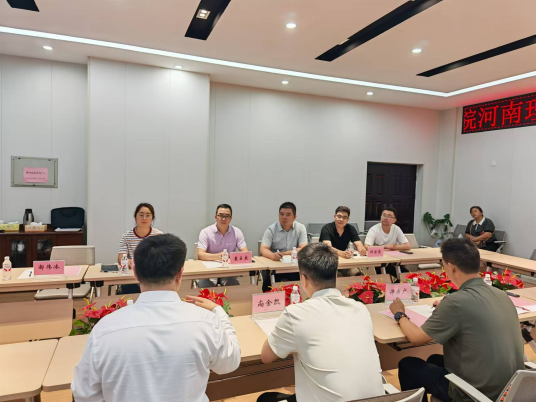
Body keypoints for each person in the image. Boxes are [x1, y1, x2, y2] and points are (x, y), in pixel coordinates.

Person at [72, 234, 241, 402]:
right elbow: (230, 363)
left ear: (135, 273)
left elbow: (83, 394)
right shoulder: (206, 322)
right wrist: (218, 312)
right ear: (179, 274)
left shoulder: (105, 330)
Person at [390, 238, 524, 402]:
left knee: (407, 365)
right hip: (510, 389)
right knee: (434, 360)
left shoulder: (455, 302)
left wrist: (399, 314)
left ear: (451, 267)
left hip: (476, 394)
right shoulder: (501, 295)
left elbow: (416, 337)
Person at [258, 243, 384, 402]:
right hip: (378, 400)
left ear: (303, 279)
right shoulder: (360, 309)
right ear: (336, 275)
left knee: (265, 399)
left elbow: (266, 357)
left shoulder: (295, 314)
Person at [197, 204, 248, 287]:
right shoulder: (205, 232)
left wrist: (229, 257)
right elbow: (200, 254)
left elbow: (245, 252)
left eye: (227, 216)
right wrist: (219, 257)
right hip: (208, 271)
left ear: (231, 218)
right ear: (215, 217)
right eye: (221, 215)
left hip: (228, 270)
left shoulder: (237, 232)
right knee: (206, 288)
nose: (223, 219)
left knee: (234, 288)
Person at [260, 202, 308, 289]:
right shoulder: (271, 229)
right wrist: (272, 256)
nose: (284, 217)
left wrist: (284, 254)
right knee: (268, 286)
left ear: (294, 217)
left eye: (288, 214)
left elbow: (303, 248)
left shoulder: (300, 228)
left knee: (303, 281)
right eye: (281, 214)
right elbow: (263, 249)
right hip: (275, 265)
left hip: (294, 266)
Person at [118, 203, 163, 293]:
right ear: (135, 217)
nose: (144, 218)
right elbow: (121, 257)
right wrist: (127, 261)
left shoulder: (158, 235)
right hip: (133, 276)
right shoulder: (126, 236)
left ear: (152, 218)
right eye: (141, 215)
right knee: (130, 288)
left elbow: (163, 256)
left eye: (148, 215)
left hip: (153, 275)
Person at [319, 206, 366, 276]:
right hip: (328, 259)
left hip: (343, 260)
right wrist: (340, 253)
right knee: (334, 275)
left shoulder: (350, 229)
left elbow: (359, 245)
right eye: (339, 216)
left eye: (344, 217)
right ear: (334, 216)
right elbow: (328, 248)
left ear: (348, 219)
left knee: (357, 273)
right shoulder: (326, 228)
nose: (341, 219)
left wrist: (362, 250)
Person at [364, 207, 411, 278]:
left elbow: (407, 246)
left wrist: (394, 247)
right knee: (383, 277)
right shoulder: (374, 229)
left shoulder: (396, 229)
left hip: (391, 262)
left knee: (407, 276)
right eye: (384, 215)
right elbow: (366, 247)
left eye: (389, 216)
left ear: (394, 220)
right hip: (376, 262)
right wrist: (384, 247)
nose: (385, 218)